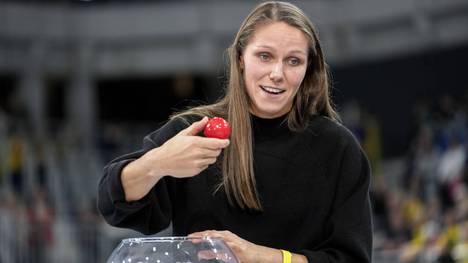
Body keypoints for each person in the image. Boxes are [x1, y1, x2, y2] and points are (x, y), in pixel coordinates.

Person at [97, 1, 373, 262]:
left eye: (293, 61)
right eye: (264, 56)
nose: (277, 73)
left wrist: (260, 256)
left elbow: (351, 258)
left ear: (308, 68)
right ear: (240, 58)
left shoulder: (337, 147)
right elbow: (113, 201)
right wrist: (159, 162)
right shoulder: (195, 132)